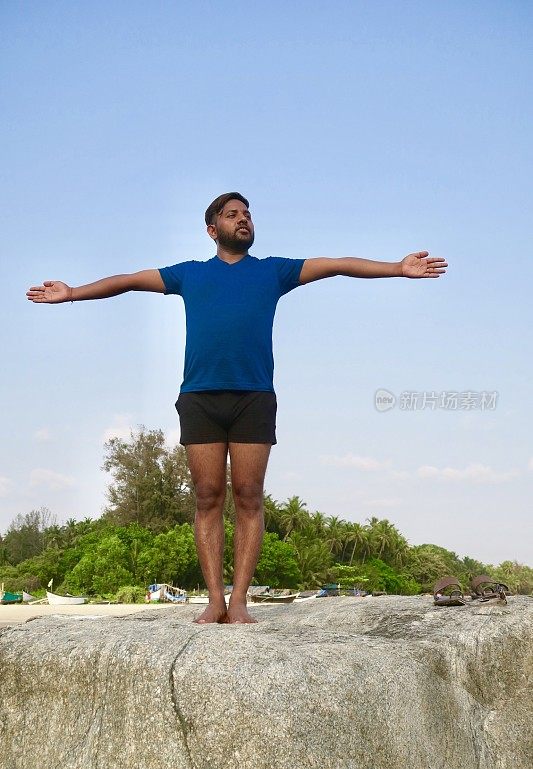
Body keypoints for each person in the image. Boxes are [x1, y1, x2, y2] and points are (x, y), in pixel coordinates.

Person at [27, 191, 447, 625]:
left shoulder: (273, 272)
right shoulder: (189, 275)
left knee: (248, 497)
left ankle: (240, 599)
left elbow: (335, 265)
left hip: (253, 397)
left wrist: (398, 269)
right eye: (232, 215)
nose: (242, 219)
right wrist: (73, 292)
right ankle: (214, 599)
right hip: (200, 396)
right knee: (208, 497)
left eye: (247, 214)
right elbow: (130, 280)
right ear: (213, 230)